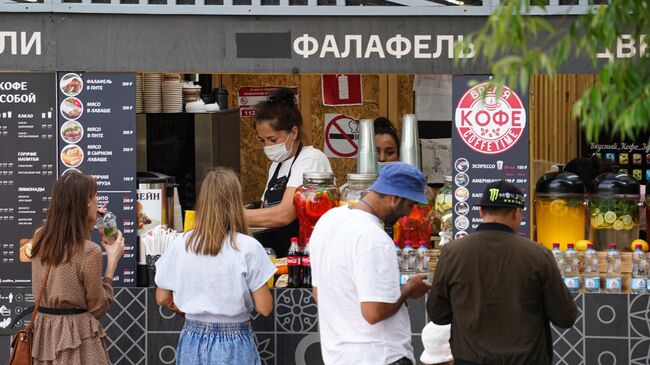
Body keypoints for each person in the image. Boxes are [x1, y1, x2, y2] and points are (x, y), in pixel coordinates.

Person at [427, 180, 578, 365]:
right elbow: (565, 317)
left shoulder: (452, 252)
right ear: (517, 213)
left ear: (481, 212)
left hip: (470, 360)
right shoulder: (539, 255)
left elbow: (438, 315)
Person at [310, 162, 432, 365]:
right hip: (380, 356)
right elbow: (374, 312)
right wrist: (409, 289)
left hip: (338, 356)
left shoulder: (327, 221)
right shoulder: (373, 237)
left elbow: (318, 294)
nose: (409, 214)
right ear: (395, 198)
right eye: (409, 205)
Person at [155, 167, 276, 365]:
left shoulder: (180, 243)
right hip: (236, 341)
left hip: (191, 339)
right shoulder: (248, 247)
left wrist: (186, 308)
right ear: (236, 204)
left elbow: (162, 297)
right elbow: (264, 308)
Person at [29, 171, 125, 365]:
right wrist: (112, 262)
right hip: (77, 341)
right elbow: (97, 307)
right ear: (87, 202)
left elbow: (67, 254)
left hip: (43, 336)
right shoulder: (90, 251)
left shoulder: (40, 237)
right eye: (96, 198)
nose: (98, 203)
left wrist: (87, 225)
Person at [245, 87, 332, 257]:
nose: (267, 147)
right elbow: (265, 212)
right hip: (279, 255)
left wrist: (230, 214)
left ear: (293, 132)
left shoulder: (311, 159)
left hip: (306, 256)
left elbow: (285, 214)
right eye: (262, 141)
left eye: (273, 139)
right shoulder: (276, 165)